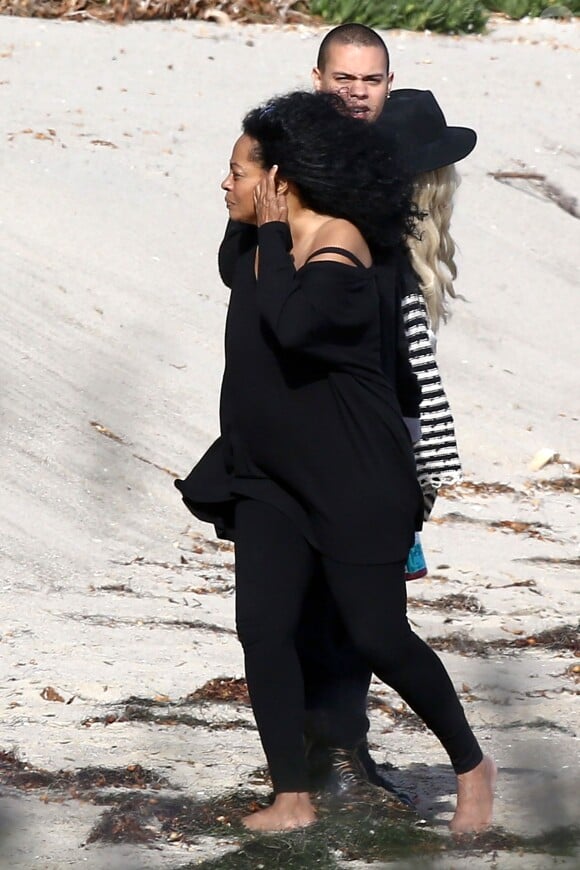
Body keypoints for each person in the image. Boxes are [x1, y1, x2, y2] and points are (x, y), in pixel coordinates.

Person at [175, 89, 495, 833]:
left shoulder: (344, 247)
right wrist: (255, 222)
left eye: (238, 171)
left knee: (378, 636)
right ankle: (293, 795)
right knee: (264, 627)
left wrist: (277, 227)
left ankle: (472, 764)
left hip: (352, 479)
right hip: (267, 477)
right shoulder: (263, 240)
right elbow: (236, 274)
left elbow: (292, 327)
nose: (225, 183)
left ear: (283, 180)